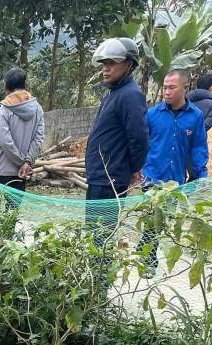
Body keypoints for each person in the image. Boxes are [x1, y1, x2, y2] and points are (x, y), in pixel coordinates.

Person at [138, 69, 209, 275]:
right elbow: (142, 144)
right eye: (165, 88)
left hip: (175, 181)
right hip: (151, 177)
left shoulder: (195, 117)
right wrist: (139, 169)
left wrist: (200, 175)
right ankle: (148, 262)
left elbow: (198, 147)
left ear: (184, 88)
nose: (166, 92)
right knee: (154, 218)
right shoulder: (152, 115)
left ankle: (144, 257)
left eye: (172, 88)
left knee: (162, 221)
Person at [84, 38, 149, 228]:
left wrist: (131, 168)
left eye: (111, 63)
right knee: (92, 235)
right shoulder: (114, 93)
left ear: (129, 65)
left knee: (99, 234)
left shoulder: (130, 95)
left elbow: (139, 138)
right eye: (104, 64)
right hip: (101, 176)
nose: (105, 68)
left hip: (109, 178)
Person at [0, 68, 45, 201]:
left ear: (6, 87)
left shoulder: (2, 109)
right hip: (22, 173)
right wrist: (26, 162)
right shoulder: (37, 108)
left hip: (0, 170)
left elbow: (4, 140)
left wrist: (21, 161)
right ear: (24, 86)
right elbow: (39, 138)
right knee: (12, 215)